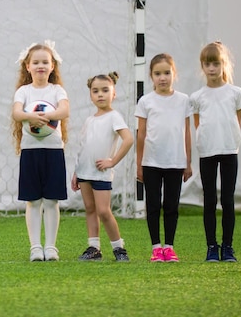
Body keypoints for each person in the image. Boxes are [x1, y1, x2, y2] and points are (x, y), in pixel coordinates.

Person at [12, 41, 69, 262]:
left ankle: (51, 247)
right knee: (33, 201)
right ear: (27, 66)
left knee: (52, 201)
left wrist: (49, 116)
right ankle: (35, 247)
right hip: (30, 151)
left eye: (45, 62)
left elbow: (64, 109)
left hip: (54, 151)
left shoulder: (57, 90)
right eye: (35, 62)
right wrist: (31, 117)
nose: (40, 66)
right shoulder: (23, 91)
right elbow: (17, 113)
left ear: (52, 66)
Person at [190, 41, 241, 262]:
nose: (212, 68)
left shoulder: (235, 93)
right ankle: (212, 247)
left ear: (224, 65)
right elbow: (198, 124)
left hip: (229, 150)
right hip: (207, 152)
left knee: (228, 199)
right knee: (209, 200)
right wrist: (208, 140)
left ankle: (228, 247)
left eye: (216, 63)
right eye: (207, 64)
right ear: (202, 67)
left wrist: (229, 140)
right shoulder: (197, 97)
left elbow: (237, 121)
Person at [135, 54, 192, 263]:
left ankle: (169, 247)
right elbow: (141, 134)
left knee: (171, 205)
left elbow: (187, 131)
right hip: (151, 162)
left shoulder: (183, 100)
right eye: (157, 74)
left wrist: (188, 162)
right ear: (151, 76)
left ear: (173, 74)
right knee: (153, 205)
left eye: (166, 73)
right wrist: (139, 163)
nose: (162, 78)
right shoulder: (146, 101)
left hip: (175, 162)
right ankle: (156, 247)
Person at [71, 72, 134, 262]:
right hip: (85, 173)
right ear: (90, 95)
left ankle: (119, 248)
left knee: (104, 211)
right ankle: (94, 248)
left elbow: (128, 139)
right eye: (95, 91)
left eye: (105, 90)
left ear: (113, 93)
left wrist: (112, 161)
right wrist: (76, 172)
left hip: (101, 173)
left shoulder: (114, 116)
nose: (100, 95)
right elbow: (84, 147)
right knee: (90, 209)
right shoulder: (90, 120)